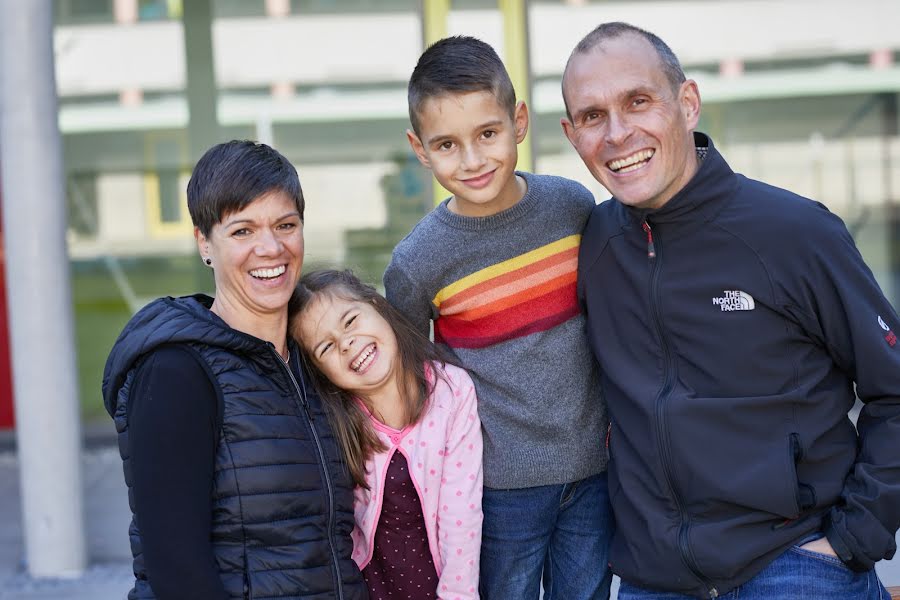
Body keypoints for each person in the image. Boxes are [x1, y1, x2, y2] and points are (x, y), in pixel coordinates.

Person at [561, 21, 900, 600]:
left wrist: (854, 539)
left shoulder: (794, 234)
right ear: (572, 134)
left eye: (638, 102)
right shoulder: (592, 246)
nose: (617, 134)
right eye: (593, 116)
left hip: (795, 563)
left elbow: (893, 390)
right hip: (654, 580)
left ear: (687, 103)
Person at [384, 36, 612, 600]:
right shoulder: (417, 263)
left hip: (594, 470)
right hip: (495, 486)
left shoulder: (572, 208)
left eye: (487, 134)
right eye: (447, 144)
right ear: (420, 148)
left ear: (519, 121)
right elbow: (416, 380)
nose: (472, 159)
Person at [101, 141, 367, 600]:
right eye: (242, 231)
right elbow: (177, 571)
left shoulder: (319, 361)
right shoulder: (176, 372)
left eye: (286, 225)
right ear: (204, 243)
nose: (271, 248)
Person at [289, 269, 483, 600]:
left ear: (377, 306)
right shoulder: (335, 422)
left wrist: (458, 595)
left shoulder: (451, 392)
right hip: (370, 585)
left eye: (350, 321)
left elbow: (461, 513)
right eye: (326, 347)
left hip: (444, 579)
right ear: (320, 373)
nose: (346, 343)